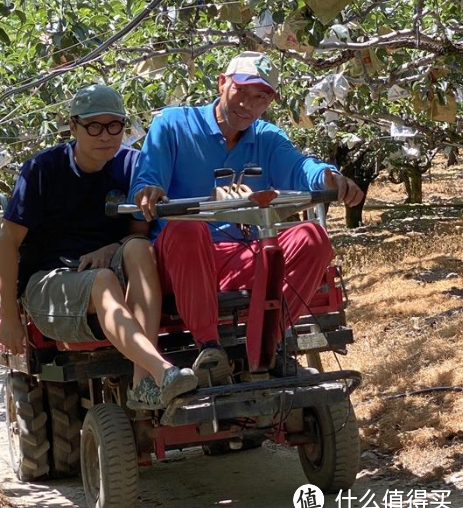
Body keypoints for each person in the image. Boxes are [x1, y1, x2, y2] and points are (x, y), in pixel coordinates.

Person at [129, 51, 364, 386]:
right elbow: (147, 179)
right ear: (222, 83)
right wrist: (148, 192)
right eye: (243, 90)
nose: (249, 105)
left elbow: (298, 167)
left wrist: (327, 176)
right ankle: (209, 347)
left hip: (241, 257)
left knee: (312, 236)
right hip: (183, 263)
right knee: (186, 225)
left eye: (261, 97)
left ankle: (266, 347)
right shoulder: (172, 124)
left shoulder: (266, 137)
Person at [0, 84, 198, 408]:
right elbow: (8, 242)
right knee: (102, 281)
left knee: (138, 247)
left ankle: (141, 382)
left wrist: (112, 248)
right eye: (94, 126)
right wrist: (9, 316)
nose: (105, 135)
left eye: (114, 125)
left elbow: (139, 229)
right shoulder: (41, 170)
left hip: (110, 269)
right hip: (50, 282)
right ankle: (161, 370)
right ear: (74, 126)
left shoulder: (133, 165)